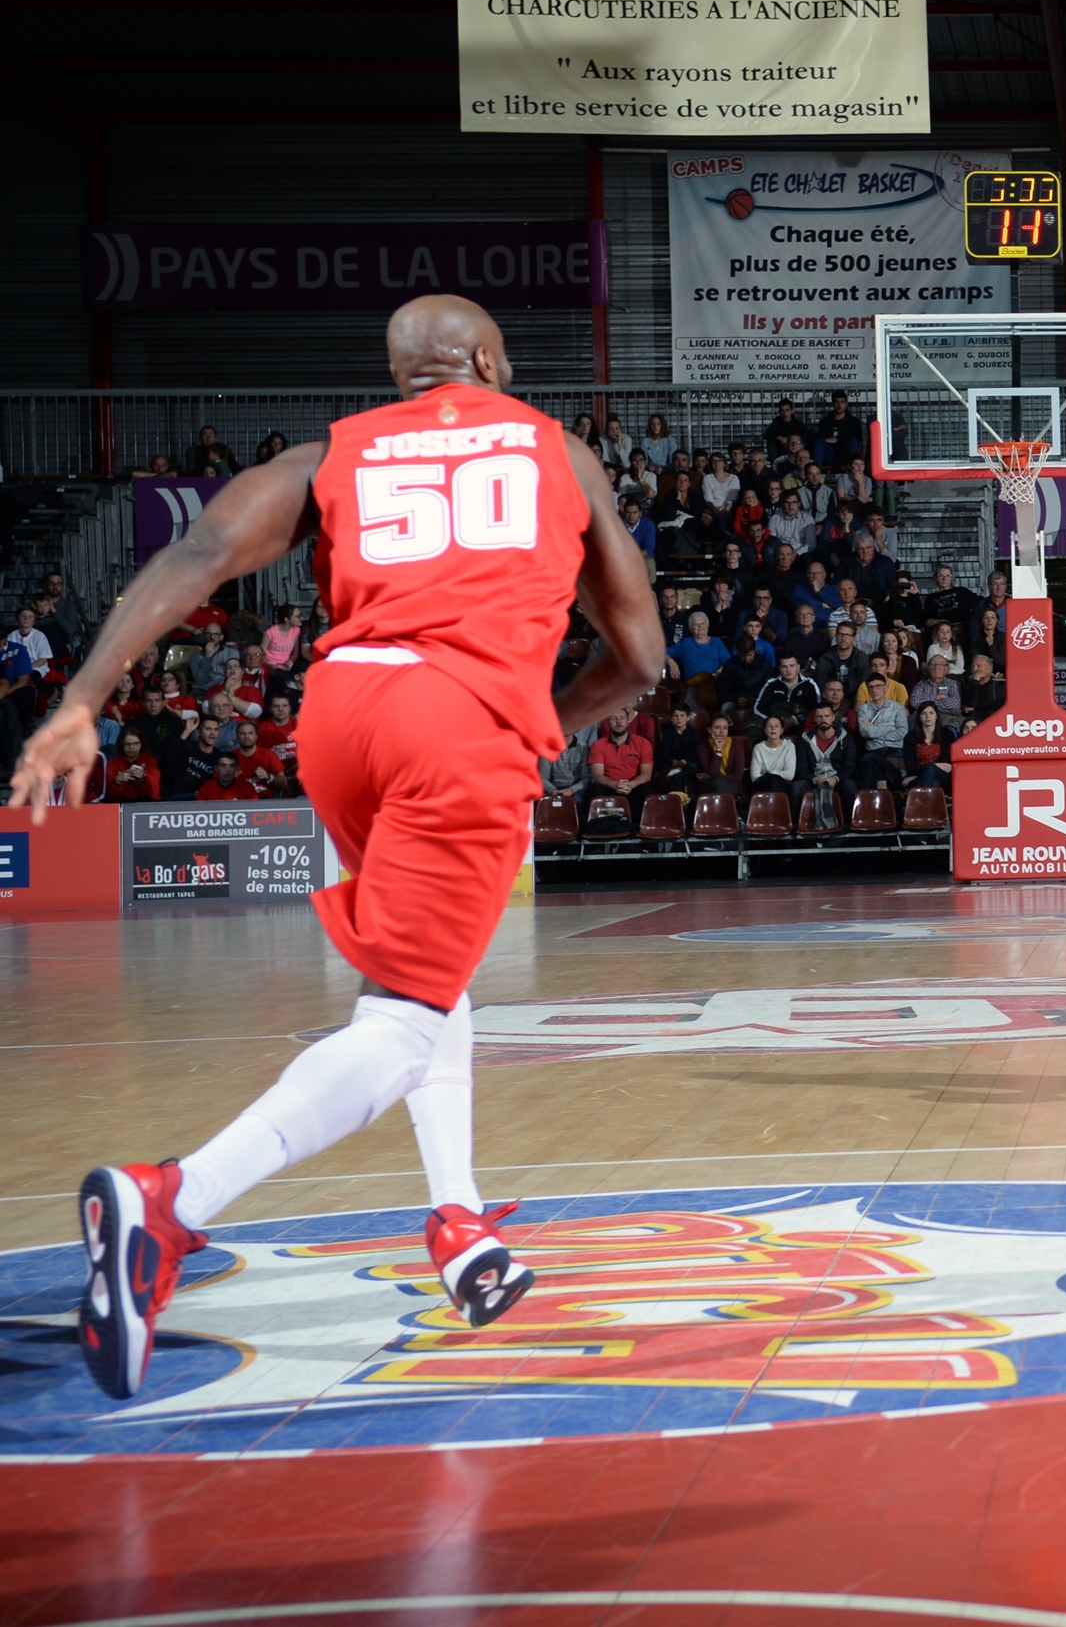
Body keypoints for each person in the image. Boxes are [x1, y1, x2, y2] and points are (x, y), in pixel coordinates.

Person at [8, 294, 662, 1400]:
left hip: (342, 717)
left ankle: (457, 1219)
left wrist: (81, 697)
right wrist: (539, 719)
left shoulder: (336, 450)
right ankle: (168, 1202)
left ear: (401, 373)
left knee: (424, 976)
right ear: (490, 361)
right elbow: (639, 654)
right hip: (459, 722)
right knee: (404, 1017)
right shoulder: (558, 449)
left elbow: (204, 547)